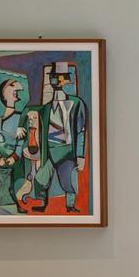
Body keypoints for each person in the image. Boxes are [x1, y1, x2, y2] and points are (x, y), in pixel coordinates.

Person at [41, 60, 90, 214]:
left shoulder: (76, 103)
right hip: (50, 149)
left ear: (66, 79)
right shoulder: (47, 107)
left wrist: (81, 155)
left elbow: (81, 130)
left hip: (67, 149)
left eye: (59, 77)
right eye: (53, 76)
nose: (55, 80)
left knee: (68, 179)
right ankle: (43, 203)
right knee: (42, 179)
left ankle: (69, 205)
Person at [0, 74, 37, 215]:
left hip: (14, 158)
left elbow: (21, 140)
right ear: (3, 95)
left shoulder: (20, 120)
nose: (15, 91)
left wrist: (14, 156)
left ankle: (17, 203)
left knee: (15, 178)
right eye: (10, 88)